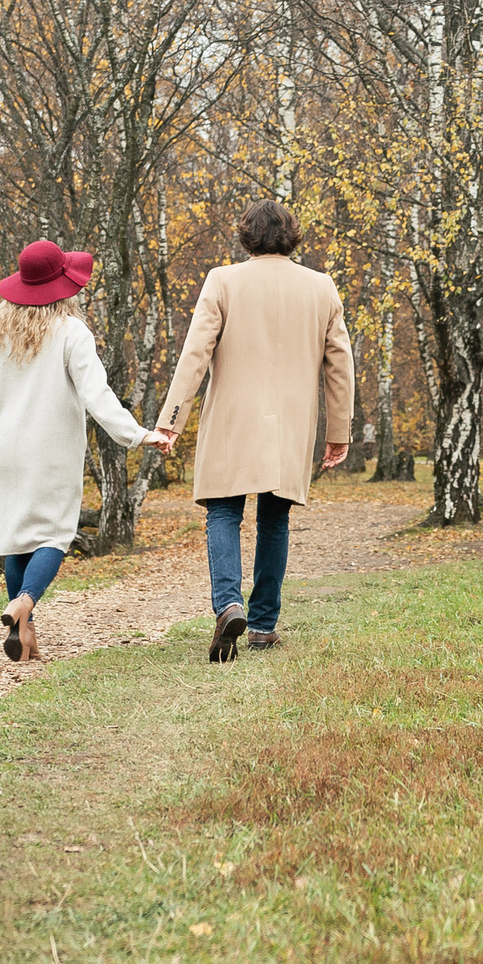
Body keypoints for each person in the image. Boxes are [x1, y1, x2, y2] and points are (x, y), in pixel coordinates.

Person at [150, 199, 353, 662]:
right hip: (292, 423)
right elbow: (339, 363)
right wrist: (338, 430)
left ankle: (229, 605)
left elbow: (195, 353)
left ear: (246, 236)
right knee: (274, 521)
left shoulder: (223, 280)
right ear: (291, 236)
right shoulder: (321, 287)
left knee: (223, 513)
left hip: (232, 419)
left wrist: (171, 421)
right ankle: (262, 626)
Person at [0, 238, 169, 662]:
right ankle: (24, 601)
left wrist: (2, 426)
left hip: (4, 446)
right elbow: (97, 396)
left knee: (17, 538)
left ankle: (24, 633)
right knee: (54, 535)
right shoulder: (71, 331)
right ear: (63, 285)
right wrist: (139, 435)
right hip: (50, 449)